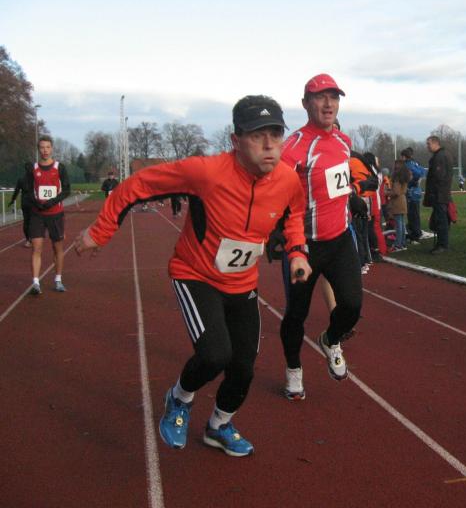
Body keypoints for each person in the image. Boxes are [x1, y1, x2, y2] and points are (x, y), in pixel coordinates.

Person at [74, 95, 310, 457]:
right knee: (215, 355)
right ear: (235, 140)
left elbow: (294, 215)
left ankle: (219, 425)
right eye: (257, 135)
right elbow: (138, 185)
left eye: (276, 135)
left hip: (243, 284)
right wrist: (100, 231)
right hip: (196, 275)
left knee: (243, 369)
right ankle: (180, 397)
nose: (269, 145)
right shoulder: (206, 172)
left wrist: (297, 253)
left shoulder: (287, 179)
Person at [280, 73, 366, 400]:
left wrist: (353, 196)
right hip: (305, 246)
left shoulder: (344, 141)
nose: (329, 104)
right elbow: (276, 194)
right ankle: (293, 369)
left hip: (340, 239)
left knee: (352, 306)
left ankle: (330, 340)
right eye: (320, 97)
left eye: (334, 97)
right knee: (296, 314)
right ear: (306, 104)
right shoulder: (294, 147)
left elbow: (337, 182)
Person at [28, 136, 71, 295]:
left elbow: (67, 190)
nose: (45, 150)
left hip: (55, 214)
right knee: (36, 248)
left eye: (47, 147)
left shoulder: (60, 167)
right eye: (42, 147)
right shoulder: (33, 168)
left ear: (52, 148)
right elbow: (28, 190)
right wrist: (36, 202)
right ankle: (35, 283)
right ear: (38, 149)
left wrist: (52, 202)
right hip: (37, 215)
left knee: (57, 248)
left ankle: (58, 280)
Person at [423, 135, 453, 255]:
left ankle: (442, 245)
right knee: (440, 219)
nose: (427, 146)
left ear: (436, 143)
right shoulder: (443, 155)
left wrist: (433, 192)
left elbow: (438, 177)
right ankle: (441, 243)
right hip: (441, 193)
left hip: (439, 194)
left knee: (441, 220)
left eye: (429, 144)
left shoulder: (440, 157)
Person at [400, 147, 427, 243]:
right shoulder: (415, 163)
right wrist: (418, 180)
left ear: (404, 156)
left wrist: (413, 181)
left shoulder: (407, 165)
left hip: (411, 192)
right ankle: (416, 232)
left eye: (401, 157)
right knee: (415, 214)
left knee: (412, 214)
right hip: (417, 191)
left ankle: (415, 234)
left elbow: (418, 174)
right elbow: (423, 171)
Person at [388, 160, 411, 251]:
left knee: (399, 225)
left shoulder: (397, 177)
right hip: (403, 200)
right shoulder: (404, 176)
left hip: (397, 202)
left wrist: (387, 193)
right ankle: (403, 243)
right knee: (402, 224)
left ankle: (398, 244)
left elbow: (396, 192)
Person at [9, 165, 33, 247]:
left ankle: (28, 240)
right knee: (33, 222)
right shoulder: (35, 179)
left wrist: (12, 200)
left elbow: (16, 191)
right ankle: (31, 239)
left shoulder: (21, 179)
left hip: (25, 203)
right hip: (33, 203)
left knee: (26, 222)